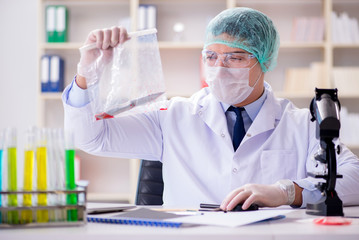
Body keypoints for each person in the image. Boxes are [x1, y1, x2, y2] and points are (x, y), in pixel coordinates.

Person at [62, 7, 359, 210]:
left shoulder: (300, 123)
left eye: (235, 58)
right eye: (212, 56)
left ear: (264, 61)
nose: (220, 68)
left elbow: (353, 178)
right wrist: (87, 74)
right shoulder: (173, 116)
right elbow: (90, 137)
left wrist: (287, 192)